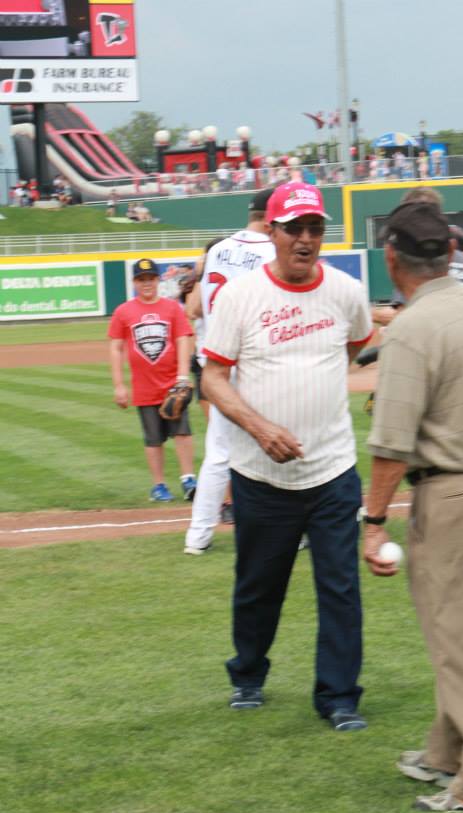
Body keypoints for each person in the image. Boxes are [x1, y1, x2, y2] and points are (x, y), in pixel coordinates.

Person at [363, 201, 463, 812]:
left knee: (460, 645)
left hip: (454, 492)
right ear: (450, 254)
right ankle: (446, 753)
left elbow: (391, 445)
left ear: (392, 257)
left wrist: (373, 523)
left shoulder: (409, 329)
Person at [201, 181, 373, 730]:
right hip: (260, 474)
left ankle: (340, 696)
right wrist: (259, 425)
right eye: (293, 228)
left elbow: (353, 349)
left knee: (340, 587)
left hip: (332, 469)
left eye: (314, 228)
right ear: (271, 232)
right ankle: (248, 674)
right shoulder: (240, 296)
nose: (304, 238)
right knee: (258, 587)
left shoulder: (345, 291)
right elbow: (213, 377)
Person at [183, 189, 277, 556]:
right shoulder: (272, 251)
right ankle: (292, 528)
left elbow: (198, 307)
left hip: (216, 361)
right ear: (272, 221)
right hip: (255, 361)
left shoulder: (218, 250)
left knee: (219, 451)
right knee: (278, 440)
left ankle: (197, 537)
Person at [108, 258, 198, 503]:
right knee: (153, 438)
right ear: (134, 282)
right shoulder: (123, 311)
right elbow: (116, 348)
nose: (146, 283)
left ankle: (188, 479)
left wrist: (182, 376)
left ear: (158, 280)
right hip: (144, 387)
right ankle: (158, 485)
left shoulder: (172, 309)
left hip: (171, 384)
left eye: (151, 278)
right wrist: (119, 385)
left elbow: (182, 340)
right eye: (141, 279)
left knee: (182, 432)